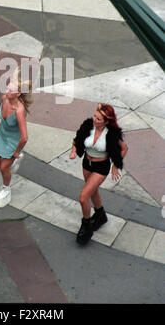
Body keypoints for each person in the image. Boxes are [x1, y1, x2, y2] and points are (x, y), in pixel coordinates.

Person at [69, 103, 128, 245]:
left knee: (83, 197)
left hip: (101, 166)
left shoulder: (112, 134)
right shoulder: (88, 125)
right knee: (92, 191)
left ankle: (86, 225)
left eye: (99, 119)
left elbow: (124, 149)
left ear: (107, 121)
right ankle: (100, 216)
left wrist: (116, 165)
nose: (95, 120)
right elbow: (76, 140)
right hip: (87, 164)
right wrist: (73, 151)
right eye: (95, 116)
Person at [0, 71, 33, 208]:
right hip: (1, 135)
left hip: (13, 142)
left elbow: (24, 137)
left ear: (18, 94)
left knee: (3, 167)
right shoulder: (4, 98)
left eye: (10, 90)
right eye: (7, 88)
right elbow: (4, 119)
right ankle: (12, 163)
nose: (6, 91)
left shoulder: (19, 111)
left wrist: (16, 152)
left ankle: (6, 188)